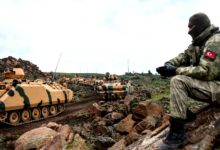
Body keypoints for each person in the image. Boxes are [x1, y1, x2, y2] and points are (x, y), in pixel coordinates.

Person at [156, 12, 220, 150]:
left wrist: (175, 70)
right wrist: (168, 64)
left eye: (190, 27)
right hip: (215, 87)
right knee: (178, 79)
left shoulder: (215, 41)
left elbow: (207, 71)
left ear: (199, 26)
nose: (188, 31)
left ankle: (178, 134)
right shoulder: (198, 43)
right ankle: (184, 115)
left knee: (179, 80)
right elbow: (183, 57)